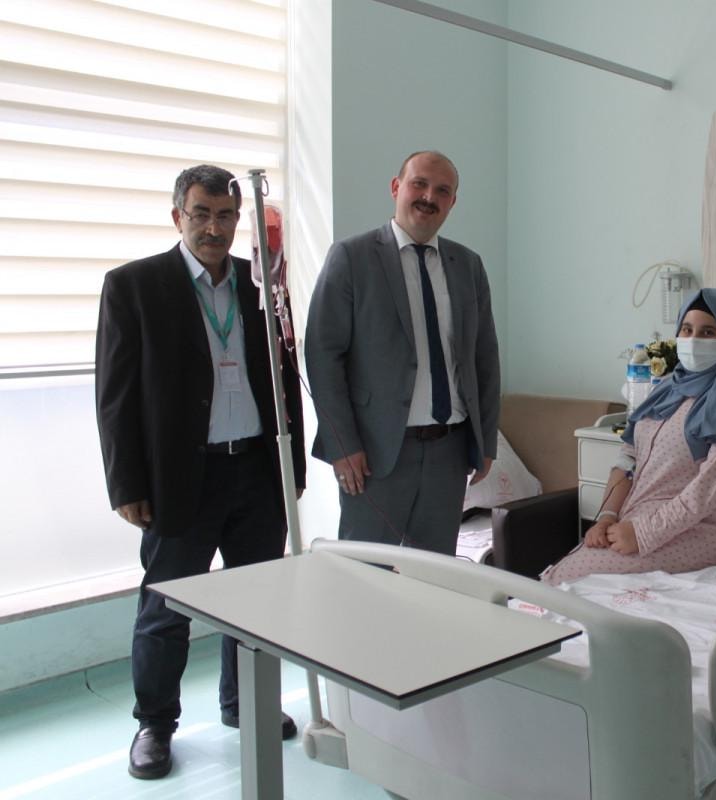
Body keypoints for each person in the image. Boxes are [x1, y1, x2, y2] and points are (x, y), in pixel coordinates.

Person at [95, 164, 307, 780]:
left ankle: (243, 704)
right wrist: (127, 484)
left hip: (256, 473)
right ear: (178, 217)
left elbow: (284, 377)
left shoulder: (259, 283)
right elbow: (114, 396)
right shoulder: (134, 286)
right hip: (181, 477)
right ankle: (154, 724)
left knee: (255, 604)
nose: (214, 228)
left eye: (225, 216)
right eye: (202, 214)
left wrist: (289, 467)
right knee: (167, 609)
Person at [306, 151, 500, 552]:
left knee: (433, 574)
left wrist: (485, 444)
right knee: (366, 573)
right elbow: (323, 357)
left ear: (452, 202)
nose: (429, 197)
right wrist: (342, 446)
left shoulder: (468, 265)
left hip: (449, 453)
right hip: (375, 454)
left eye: (442, 190)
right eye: (419, 184)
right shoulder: (351, 257)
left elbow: (485, 359)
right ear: (396, 187)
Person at [542, 288, 716, 585]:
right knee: (566, 575)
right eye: (686, 329)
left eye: (708, 332)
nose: (693, 339)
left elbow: (712, 486)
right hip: (637, 516)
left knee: (569, 580)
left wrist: (644, 533)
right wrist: (607, 516)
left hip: (705, 529)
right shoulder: (667, 387)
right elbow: (629, 457)